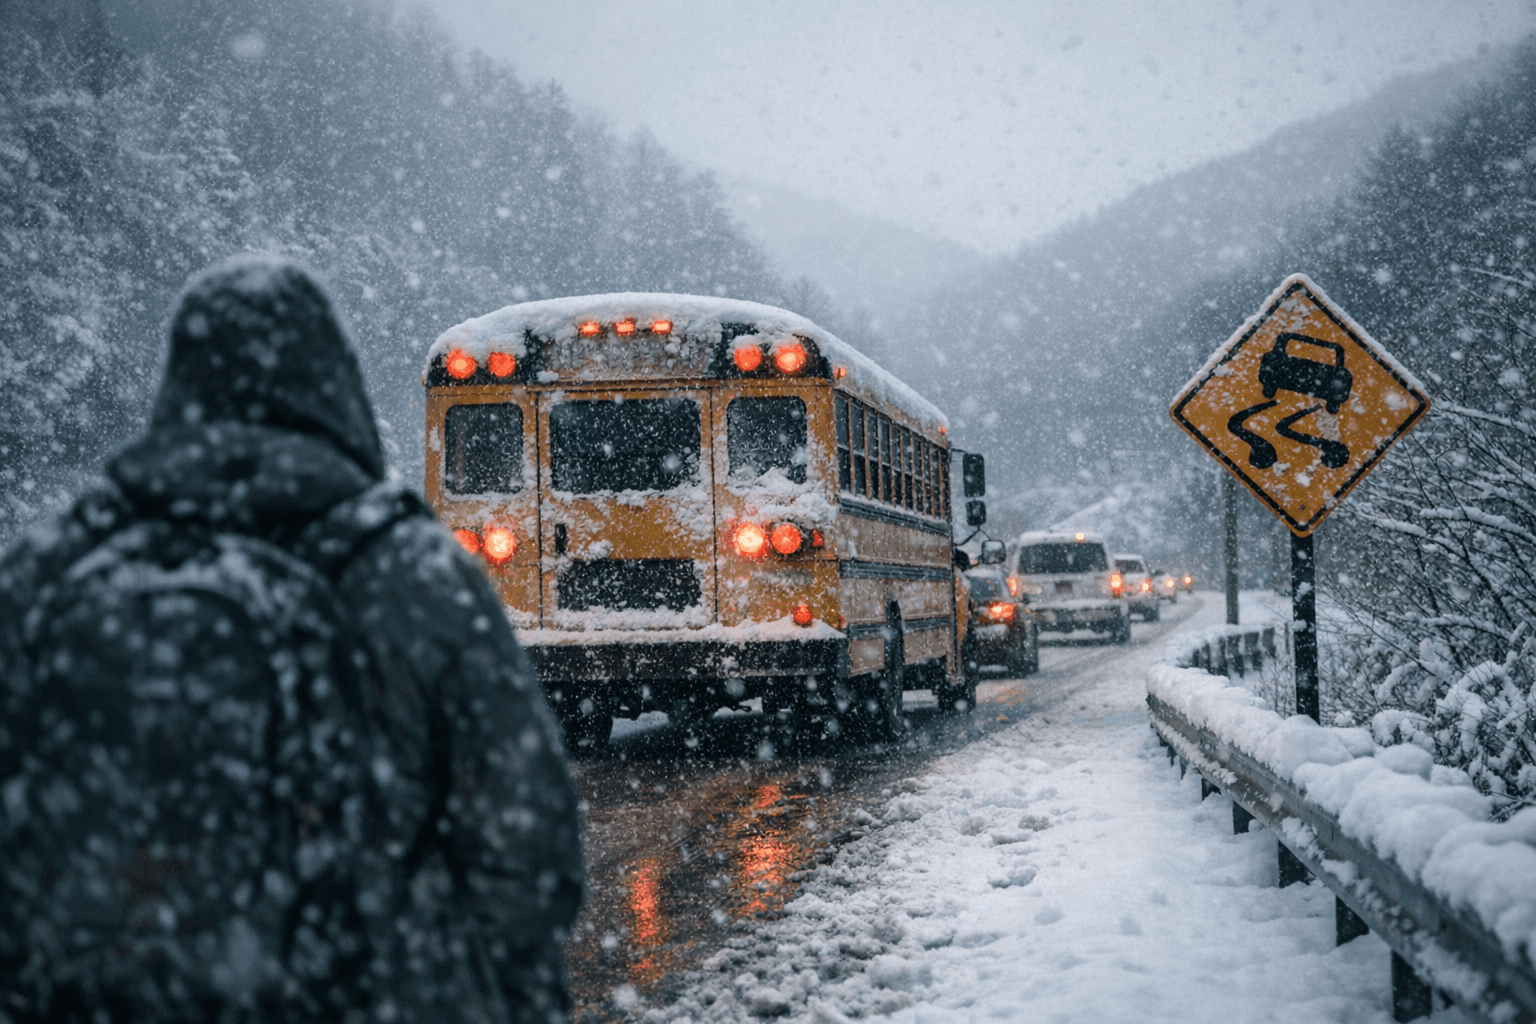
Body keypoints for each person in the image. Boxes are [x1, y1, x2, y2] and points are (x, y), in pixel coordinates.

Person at [0, 256, 583, 1023]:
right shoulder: (408, 574)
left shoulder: (46, 570)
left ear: (178, 388)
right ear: (337, 389)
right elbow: (527, 847)